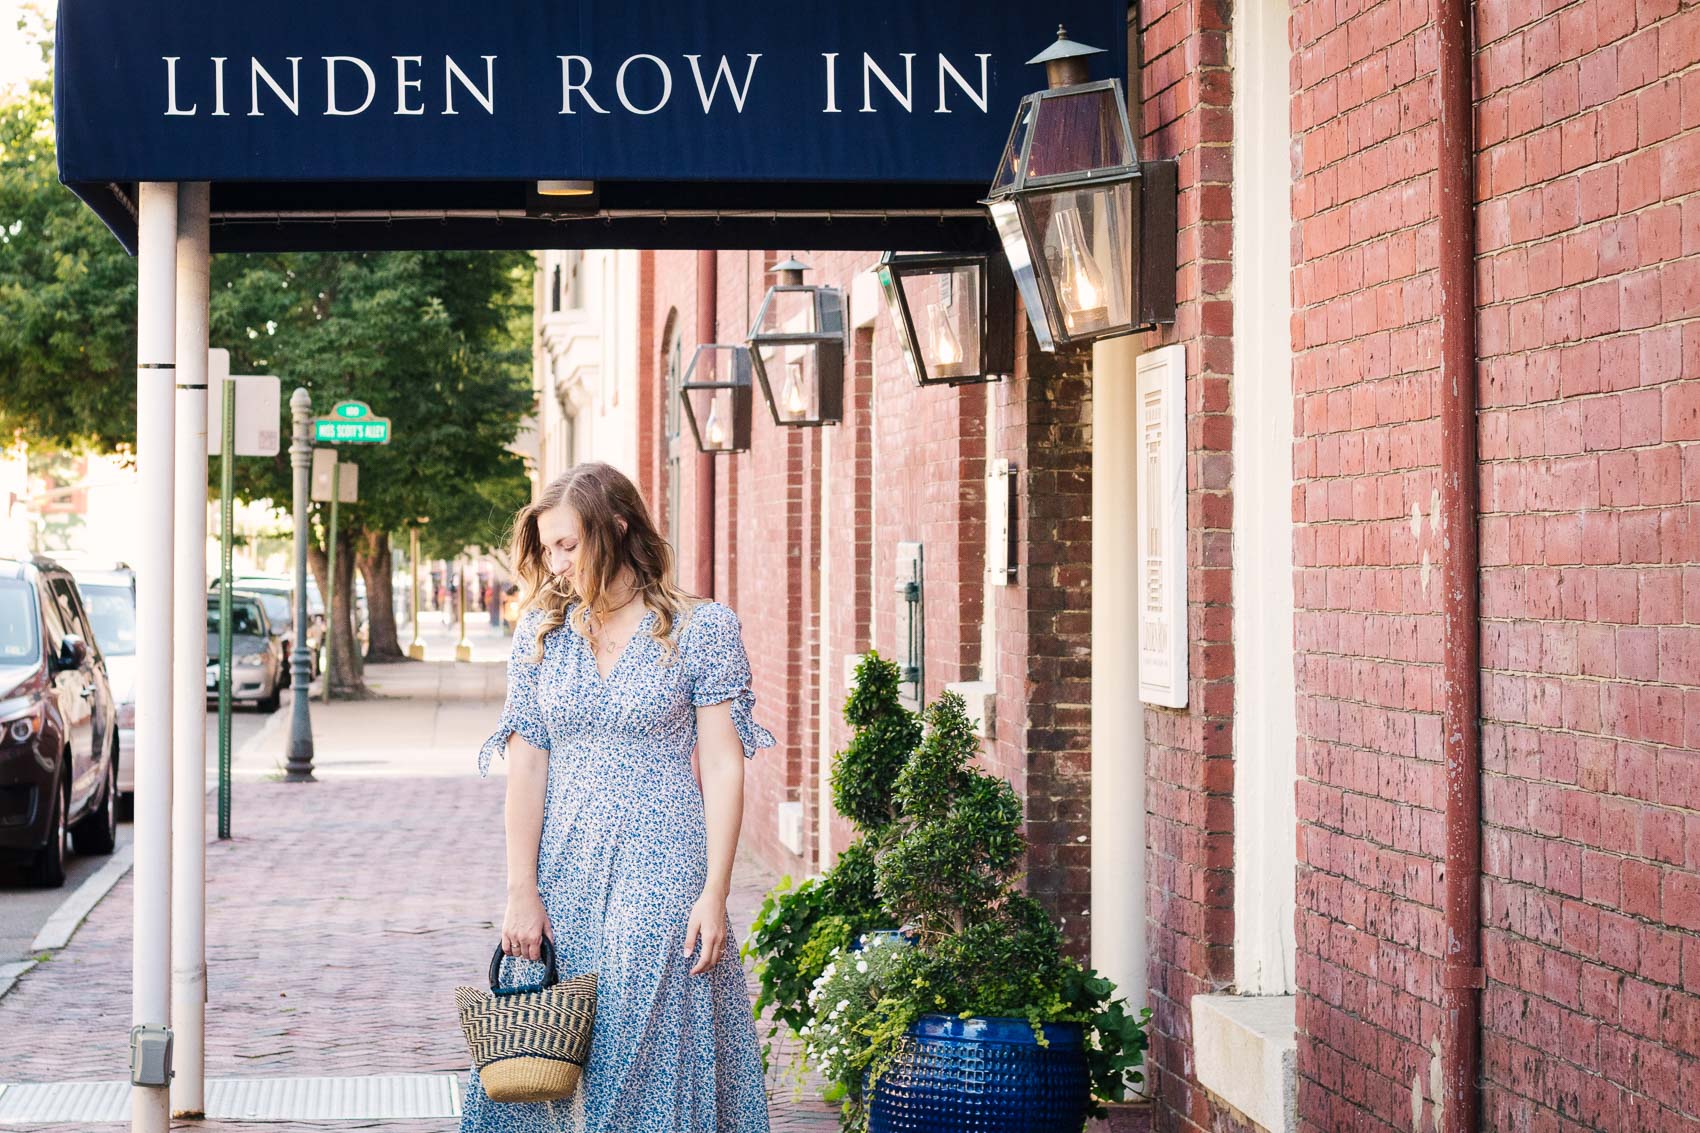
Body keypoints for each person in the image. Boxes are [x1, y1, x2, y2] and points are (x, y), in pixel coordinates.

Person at [461, 461, 775, 1133]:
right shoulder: (541, 633)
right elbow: (528, 767)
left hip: (662, 858)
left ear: (617, 528)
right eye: (547, 547)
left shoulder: (700, 628)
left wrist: (715, 891)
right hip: (564, 862)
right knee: (556, 1043)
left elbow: (722, 764)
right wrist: (521, 889)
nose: (556, 561)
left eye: (568, 544)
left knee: (639, 1038)